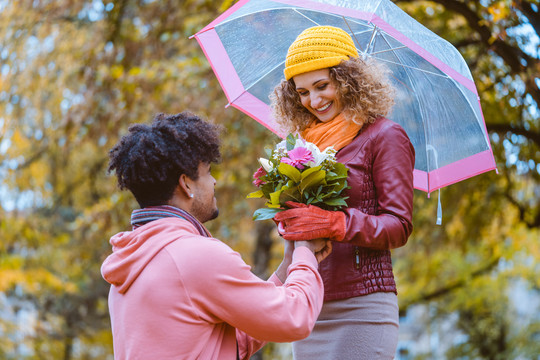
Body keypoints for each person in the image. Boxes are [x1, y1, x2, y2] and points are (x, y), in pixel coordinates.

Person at [101, 111, 332, 360]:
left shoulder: (131, 261)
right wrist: (306, 252)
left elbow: (224, 345)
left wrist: (289, 265)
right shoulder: (194, 256)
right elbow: (294, 318)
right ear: (186, 184)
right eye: (208, 171)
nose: (214, 182)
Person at [270, 26, 415, 359]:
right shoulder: (300, 146)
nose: (314, 101)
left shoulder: (385, 136)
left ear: (349, 79)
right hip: (309, 300)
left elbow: (398, 225)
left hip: (362, 306)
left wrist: (333, 223)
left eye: (322, 86)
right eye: (302, 92)